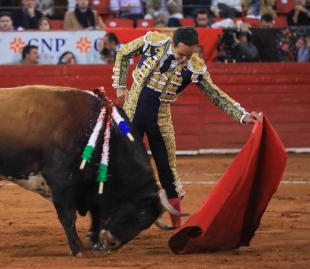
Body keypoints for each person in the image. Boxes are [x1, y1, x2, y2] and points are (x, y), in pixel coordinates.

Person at [111, 27, 261, 228]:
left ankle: (177, 227)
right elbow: (123, 52)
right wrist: (120, 85)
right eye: (181, 54)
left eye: (189, 55)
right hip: (130, 116)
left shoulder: (195, 66)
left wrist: (242, 115)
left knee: (168, 172)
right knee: (119, 165)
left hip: (160, 121)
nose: (184, 59)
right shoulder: (154, 42)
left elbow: (215, 94)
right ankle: (110, 221)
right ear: (172, 43)